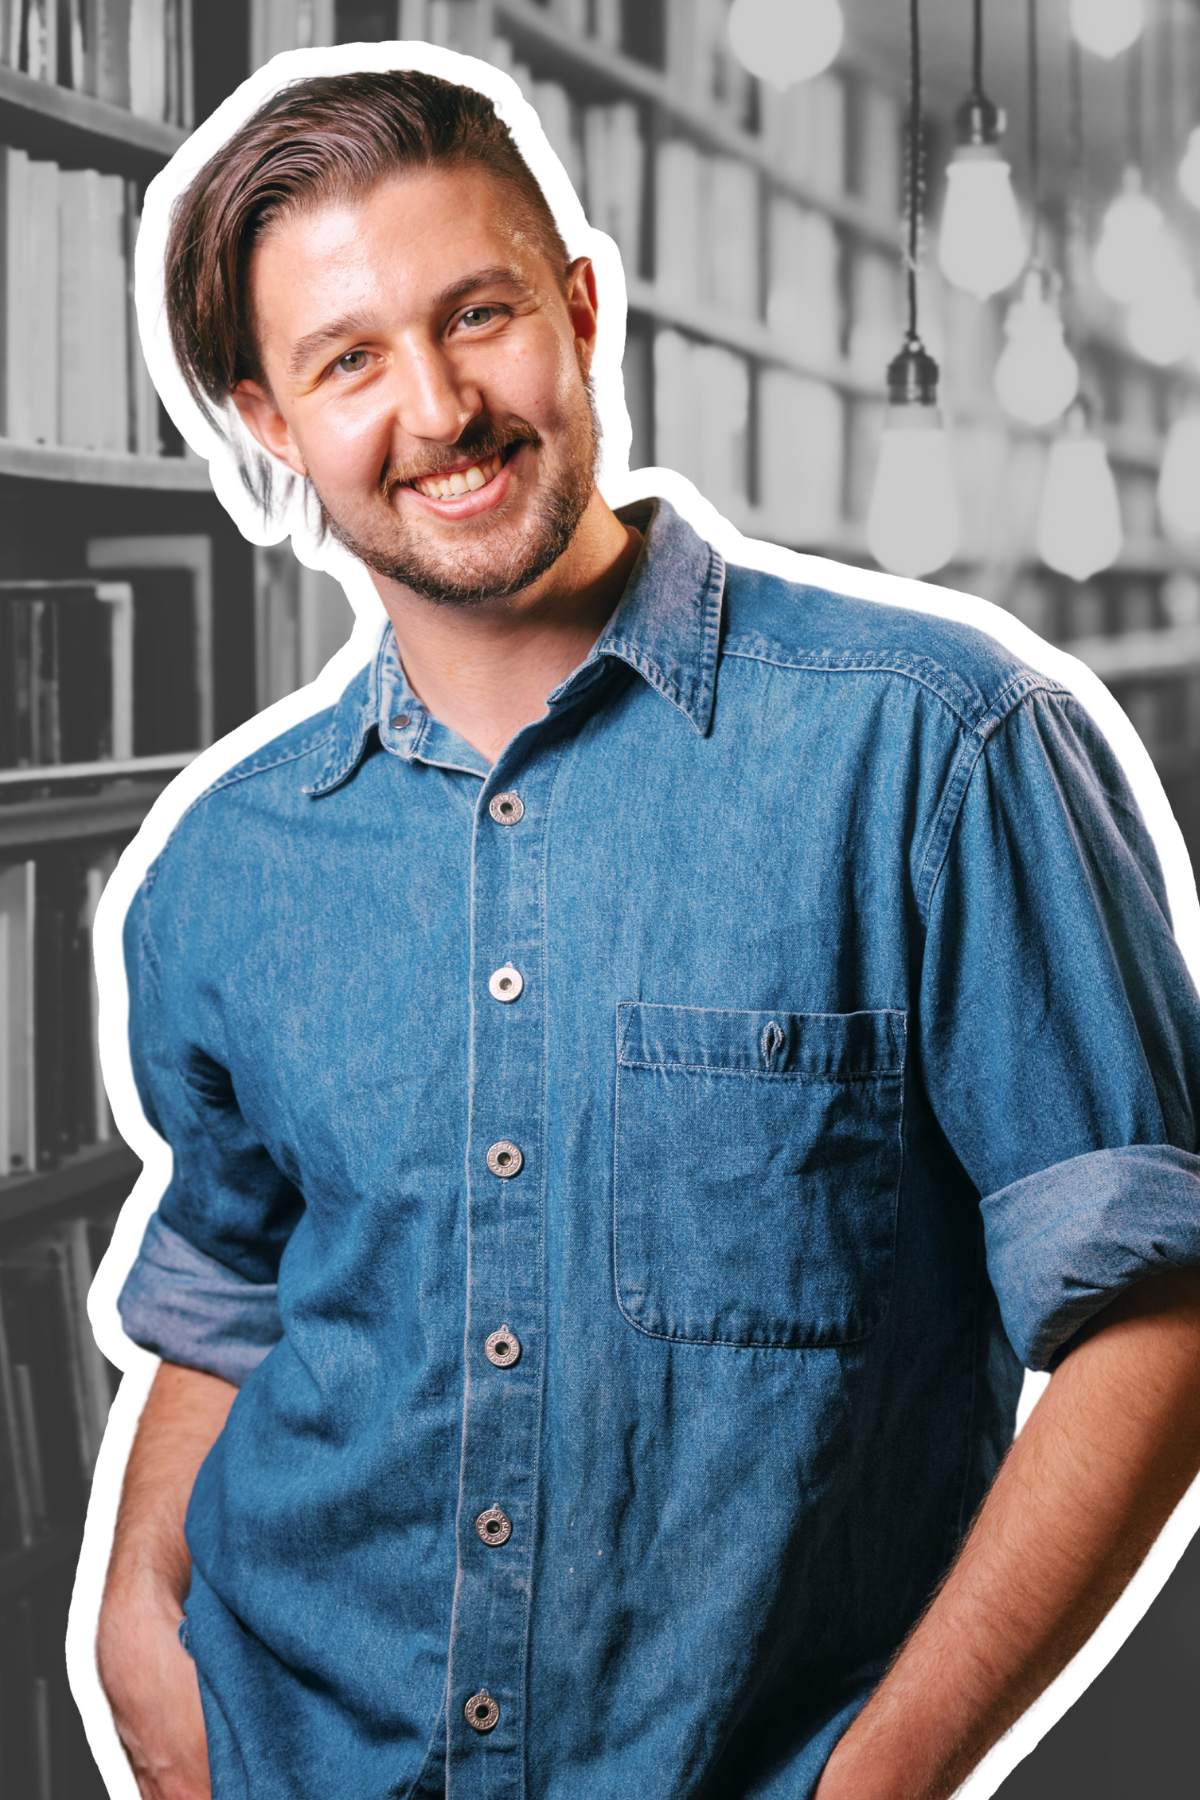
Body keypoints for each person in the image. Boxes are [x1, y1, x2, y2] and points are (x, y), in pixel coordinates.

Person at [94, 58, 1200, 1800]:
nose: (442, 406)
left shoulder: (940, 744)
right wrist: (131, 1613)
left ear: (583, 308)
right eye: (349, 360)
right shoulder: (224, 867)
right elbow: (234, 1282)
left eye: (480, 315)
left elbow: (1155, 1312)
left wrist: (881, 1779)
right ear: (268, 419)